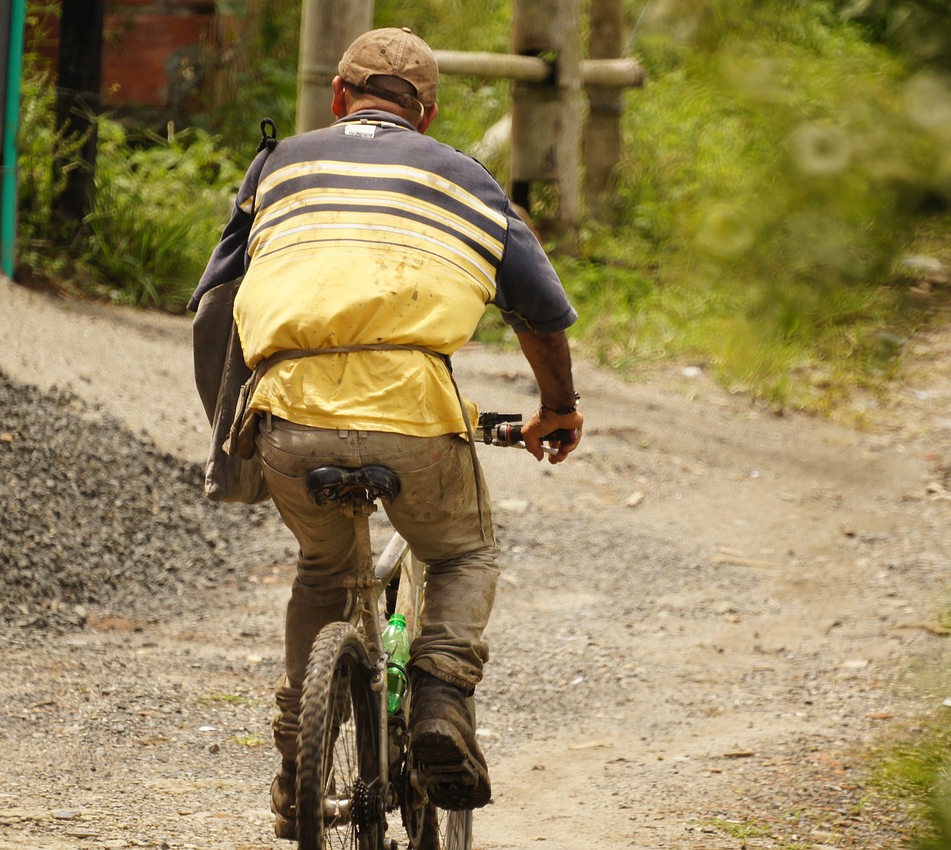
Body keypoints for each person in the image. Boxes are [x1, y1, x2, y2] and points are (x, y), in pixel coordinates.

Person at [190, 26, 583, 839]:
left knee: (321, 572)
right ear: (428, 115)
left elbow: (215, 305)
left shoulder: (278, 165)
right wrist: (558, 406)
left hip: (289, 415)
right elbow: (539, 312)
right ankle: (440, 693)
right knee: (463, 551)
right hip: (413, 412)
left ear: (338, 97)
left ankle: (298, 763)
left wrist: (233, 435)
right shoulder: (470, 182)